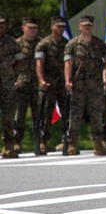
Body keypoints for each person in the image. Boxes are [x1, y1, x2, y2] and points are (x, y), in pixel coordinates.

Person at [63, 15, 106, 156]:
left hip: (95, 86)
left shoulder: (99, 44)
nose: (87, 27)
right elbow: (68, 64)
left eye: (89, 25)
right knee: (75, 115)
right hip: (78, 85)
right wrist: (68, 80)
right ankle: (72, 144)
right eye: (85, 25)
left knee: (97, 115)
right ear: (80, 27)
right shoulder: (72, 44)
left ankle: (99, 144)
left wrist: (100, 69)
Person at [35, 17, 68, 154]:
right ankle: (43, 142)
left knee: (67, 113)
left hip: (63, 84)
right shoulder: (44, 44)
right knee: (46, 113)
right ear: (52, 26)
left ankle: (67, 140)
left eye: (63, 26)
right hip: (49, 84)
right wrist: (42, 80)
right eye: (58, 26)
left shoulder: (68, 44)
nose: (61, 29)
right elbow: (39, 63)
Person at [13, 17, 40, 154]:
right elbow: (10, 65)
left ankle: (40, 141)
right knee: (19, 115)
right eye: (30, 28)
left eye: (35, 28)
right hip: (21, 85)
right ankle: (16, 141)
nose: (33, 30)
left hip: (37, 85)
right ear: (23, 28)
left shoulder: (41, 44)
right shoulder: (16, 44)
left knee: (39, 114)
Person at [0, 15, 20, 158]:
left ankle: (8, 147)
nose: (1, 26)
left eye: (2, 24)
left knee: (8, 117)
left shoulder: (12, 42)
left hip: (7, 85)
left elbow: (20, 61)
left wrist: (10, 72)